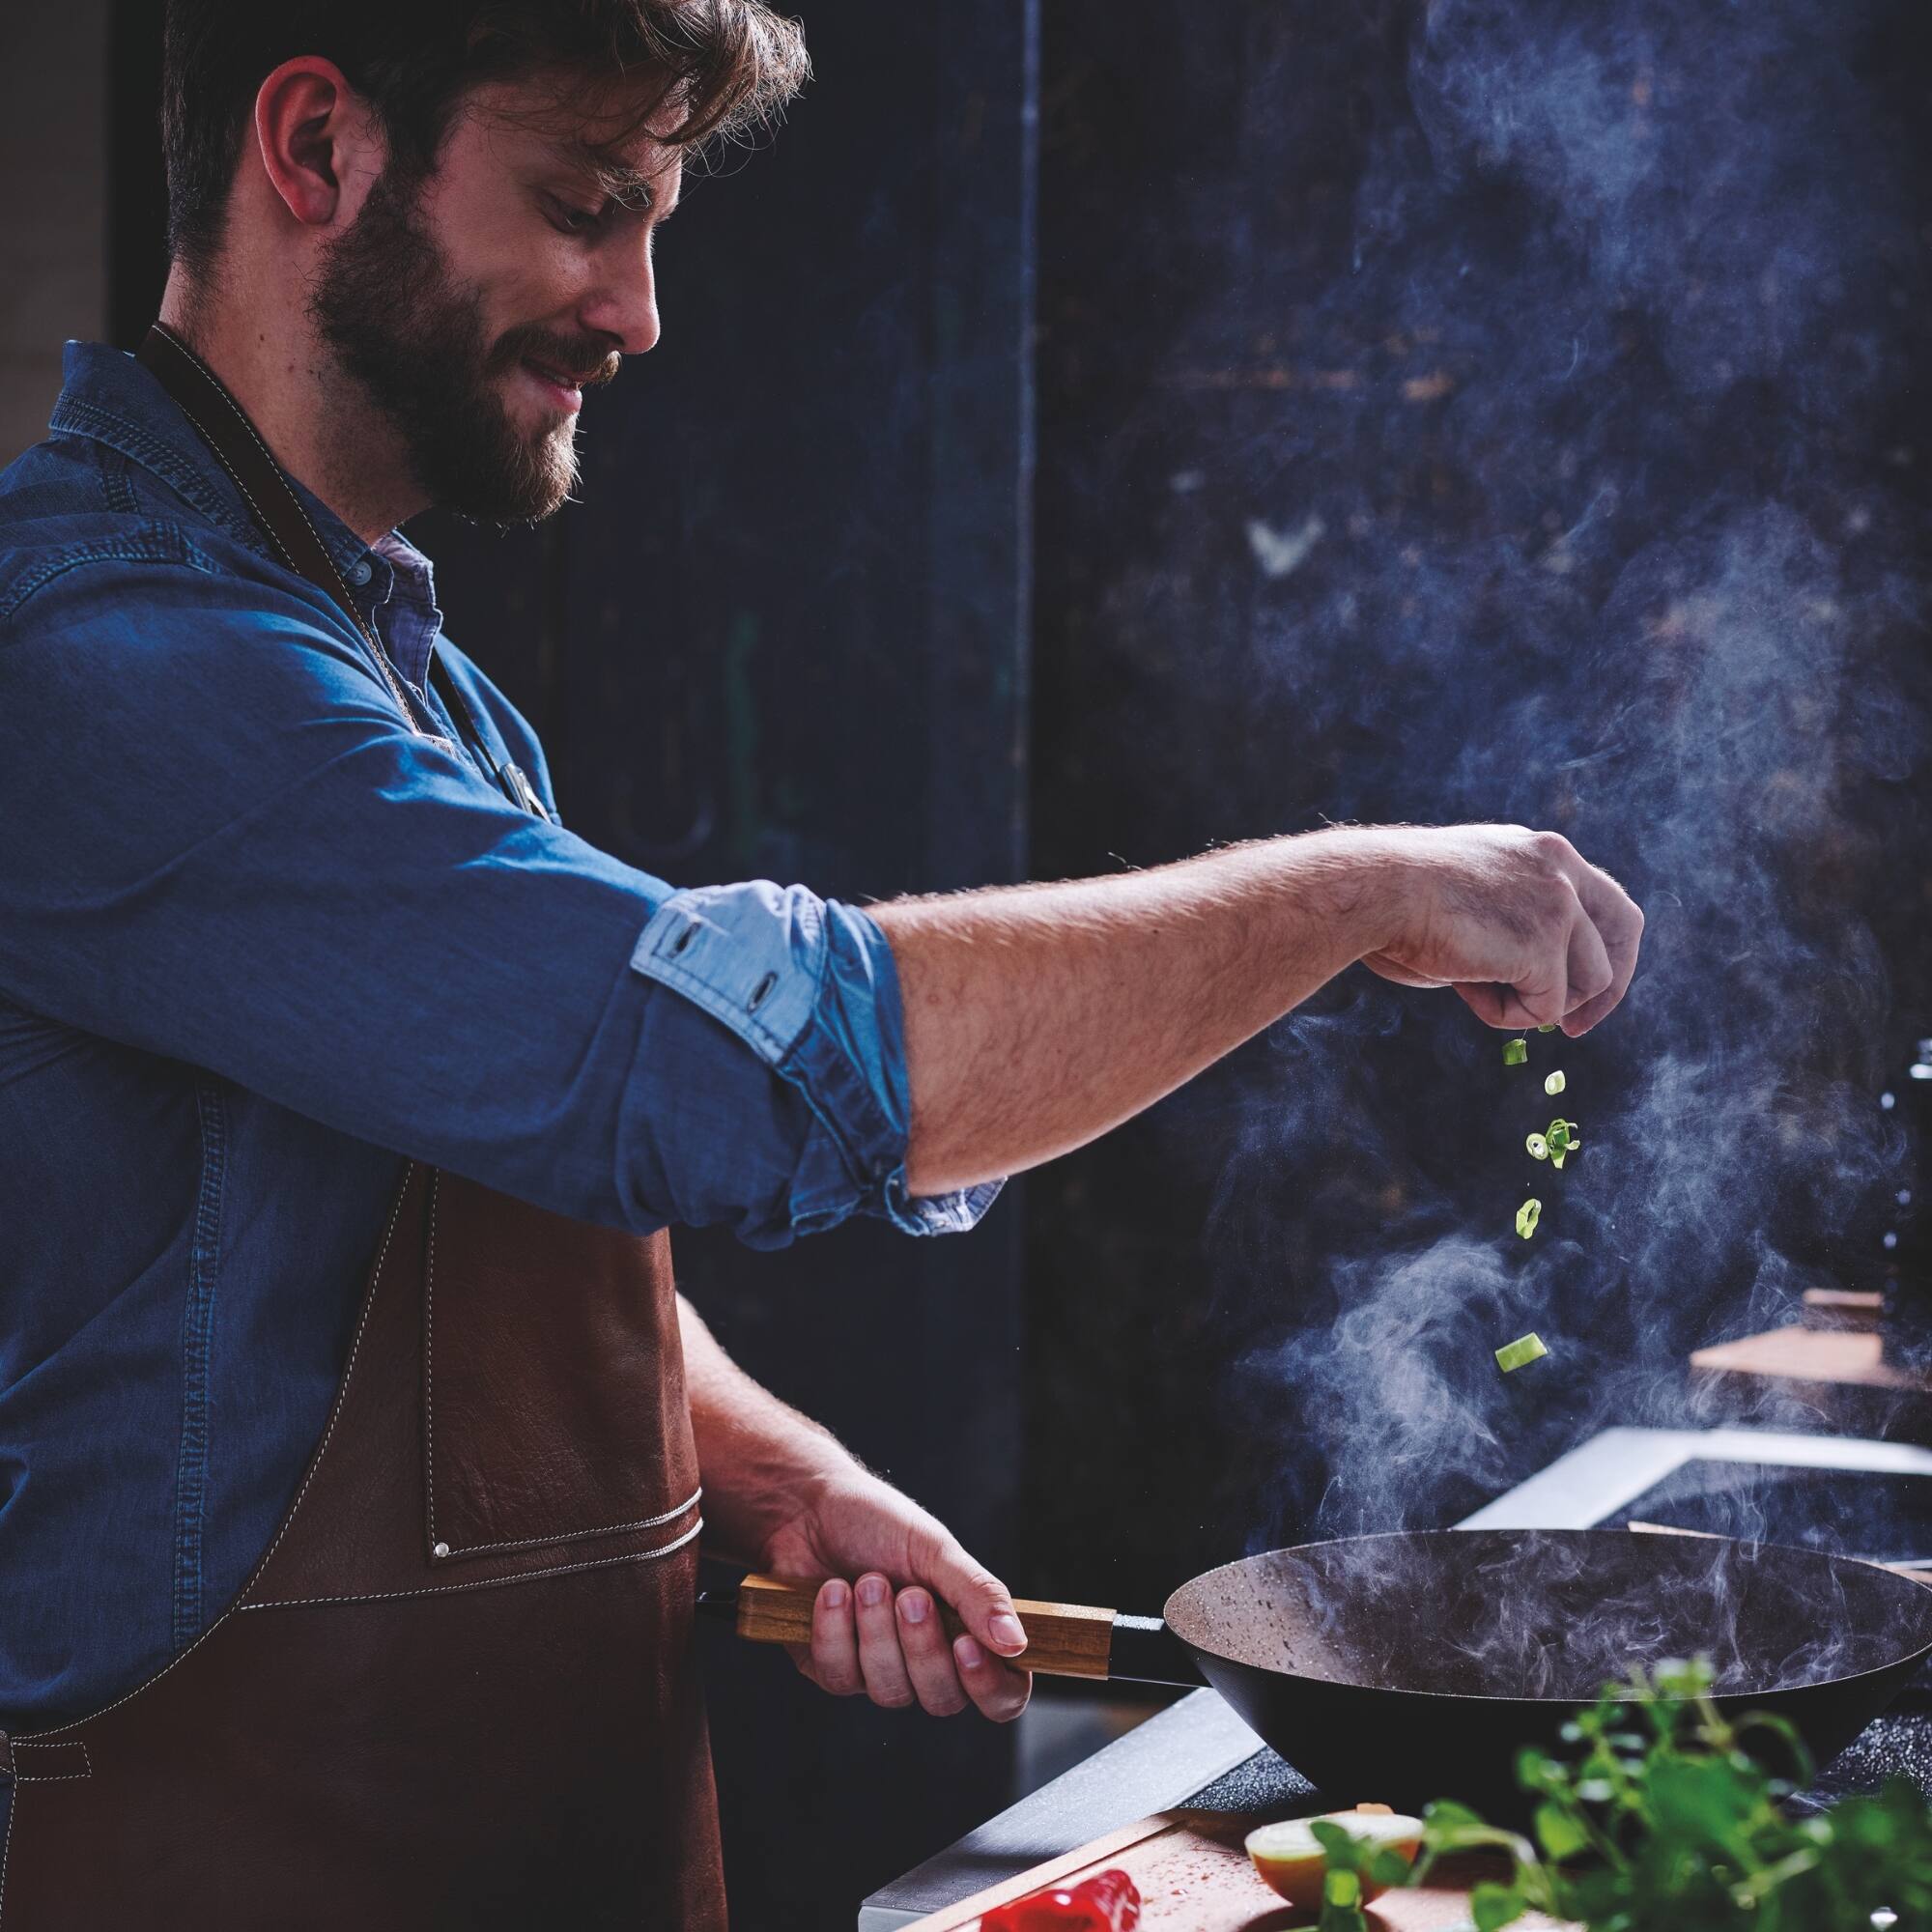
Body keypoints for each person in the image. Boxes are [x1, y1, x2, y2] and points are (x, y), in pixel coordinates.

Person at [0, 2, 1644, 1923]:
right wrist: (1358, 892)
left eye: (655, 221)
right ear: (315, 149)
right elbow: (719, 1070)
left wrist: (778, 1478)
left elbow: (486, 1215)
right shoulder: (102, 672)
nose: (638, 311)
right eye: (584, 203)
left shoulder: (418, 696)